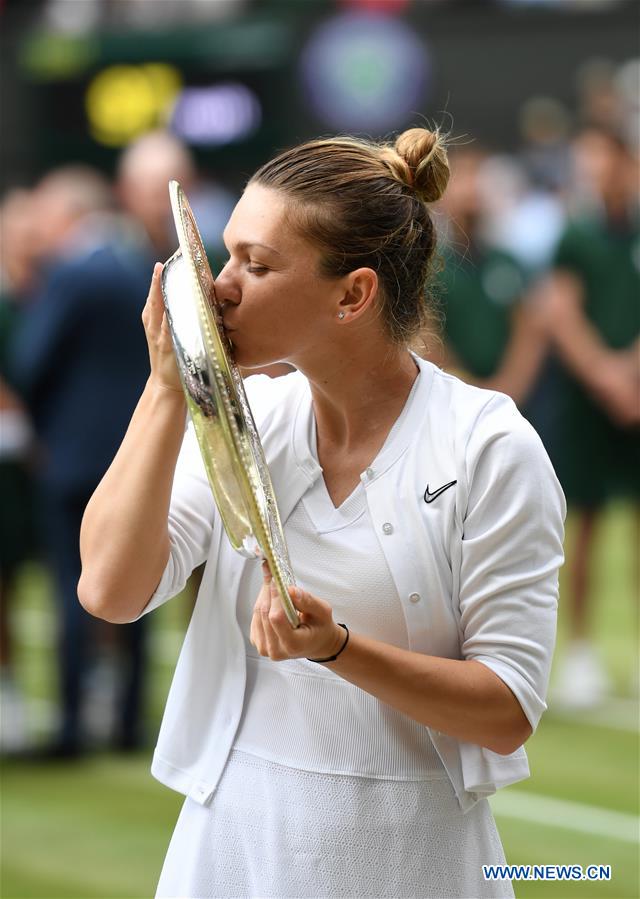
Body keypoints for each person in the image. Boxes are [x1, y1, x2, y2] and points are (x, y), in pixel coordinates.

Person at [79, 127, 565, 898]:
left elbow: (506, 708)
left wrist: (337, 647)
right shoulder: (250, 415)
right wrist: (169, 385)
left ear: (353, 294)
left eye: (257, 263)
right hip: (233, 840)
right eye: (227, 252)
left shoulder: (489, 444)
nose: (220, 286)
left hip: (414, 856)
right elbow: (110, 588)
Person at [8, 165, 151, 755]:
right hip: (137, 455)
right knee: (141, 588)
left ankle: (70, 728)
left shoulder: (66, 275)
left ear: (69, 215)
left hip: (70, 456)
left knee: (74, 583)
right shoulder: (142, 266)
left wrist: (38, 426)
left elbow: (29, 359)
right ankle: (128, 724)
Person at [541, 126, 639, 707]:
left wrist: (631, 371)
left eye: (604, 157)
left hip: (635, 394)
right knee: (590, 523)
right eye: (587, 159)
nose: (595, 168)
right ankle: (579, 652)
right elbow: (561, 312)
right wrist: (607, 375)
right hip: (588, 402)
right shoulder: (574, 236)